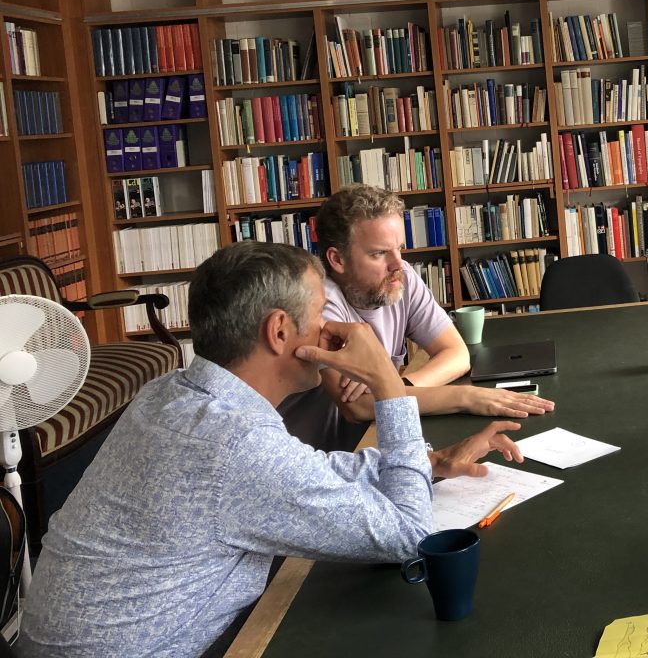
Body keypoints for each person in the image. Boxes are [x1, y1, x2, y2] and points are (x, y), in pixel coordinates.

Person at [18, 241, 523, 658]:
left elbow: (303, 470)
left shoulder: (169, 393)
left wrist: (430, 462)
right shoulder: (236, 444)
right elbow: (411, 537)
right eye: (320, 314)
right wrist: (388, 385)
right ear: (280, 331)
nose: (333, 330)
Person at [279, 185, 554, 449]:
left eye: (399, 248)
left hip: (373, 441)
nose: (398, 264)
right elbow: (358, 406)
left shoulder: (401, 278)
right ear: (337, 260)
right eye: (379, 253)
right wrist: (466, 396)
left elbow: (457, 354)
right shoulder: (319, 304)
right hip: (326, 455)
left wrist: (394, 385)